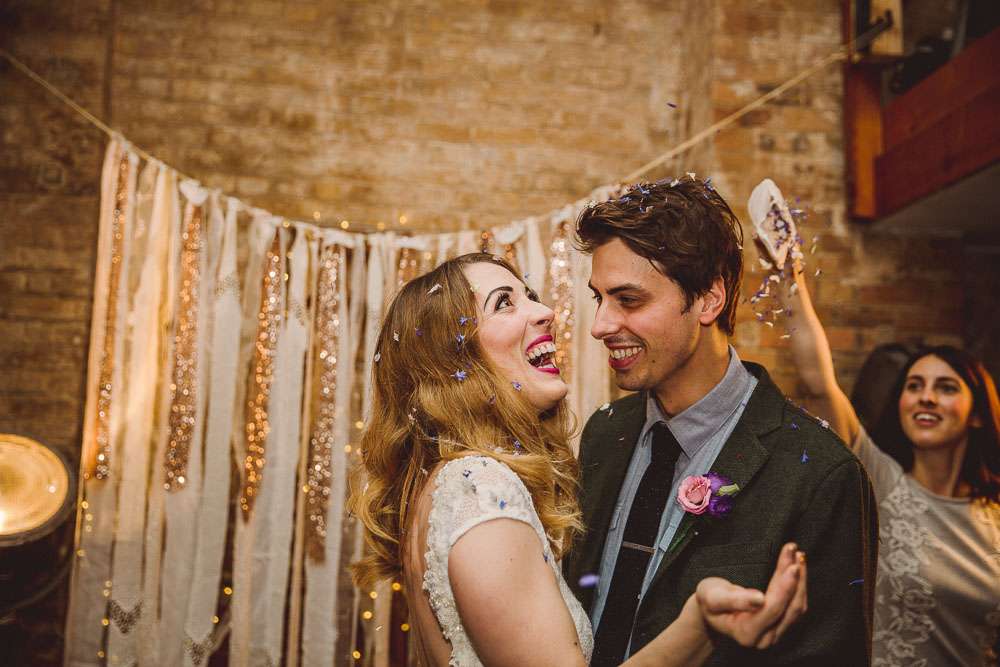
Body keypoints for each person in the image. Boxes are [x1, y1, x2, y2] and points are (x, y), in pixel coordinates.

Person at [349, 252, 809, 666]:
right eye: (504, 303)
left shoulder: (440, 481)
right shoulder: (479, 487)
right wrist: (699, 625)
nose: (545, 312)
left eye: (528, 296)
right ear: (453, 361)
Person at [564, 177, 878, 666]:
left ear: (709, 299)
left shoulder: (820, 474)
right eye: (598, 298)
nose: (601, 325)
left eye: (629, 299)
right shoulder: (604, 432)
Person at [768, 248, 1000, 666]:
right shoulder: (880, 479)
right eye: (914, 385)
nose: (926, 396)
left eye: (946, 387)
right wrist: (790, 273)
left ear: (978, 414)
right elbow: (820, 382)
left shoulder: (995, 516)